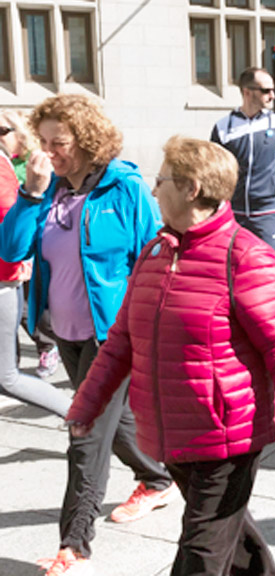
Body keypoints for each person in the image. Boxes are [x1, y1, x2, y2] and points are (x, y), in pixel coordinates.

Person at [64, 136, 275, 575]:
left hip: (228, 434)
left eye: (161, 179)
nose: (153, 189)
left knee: (201, 552)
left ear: (191, 188)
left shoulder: (246, 258)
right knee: (233, 540)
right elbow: (121, 341)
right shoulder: (154, 254)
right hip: (172, 433)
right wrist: (86, 405)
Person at [0, 94, 174, 575]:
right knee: (112, 422)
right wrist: (32, 195)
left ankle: (73, 544)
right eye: (46, 141)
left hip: (112, 335)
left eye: (61, 143)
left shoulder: (126, 187)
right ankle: (157, 480)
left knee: (85, 431)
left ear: (88, 140)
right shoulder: (49, 188)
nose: (49, 151)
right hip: (67, 332)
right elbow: (11, 249)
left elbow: (152, 260)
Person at [0, 126, 70, 417]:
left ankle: (83, 421)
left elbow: (9, 215)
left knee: (7, 378)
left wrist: (18, 264)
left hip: (3, 281)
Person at [211, 67, 275, 249]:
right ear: (247, 92)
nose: (273, 96)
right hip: (233, 212)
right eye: (266, 91)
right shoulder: (223, 127)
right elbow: (213, 175)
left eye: (274, 90)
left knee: (263, 268)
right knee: (231, 267)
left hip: (267, 212)